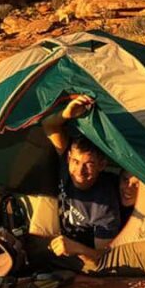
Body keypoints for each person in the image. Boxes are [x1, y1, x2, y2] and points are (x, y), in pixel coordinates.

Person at [33, 94, 121, 271]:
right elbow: (49, 125)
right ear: (68, 159)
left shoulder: (105, 205)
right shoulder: (67, 166)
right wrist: (66, 115)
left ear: (102, 165)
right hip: (55, 236)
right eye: (76, 162)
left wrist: (75, 248)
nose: (80, 172)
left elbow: (103, 258)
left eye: (89, 164)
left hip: (79, 255)